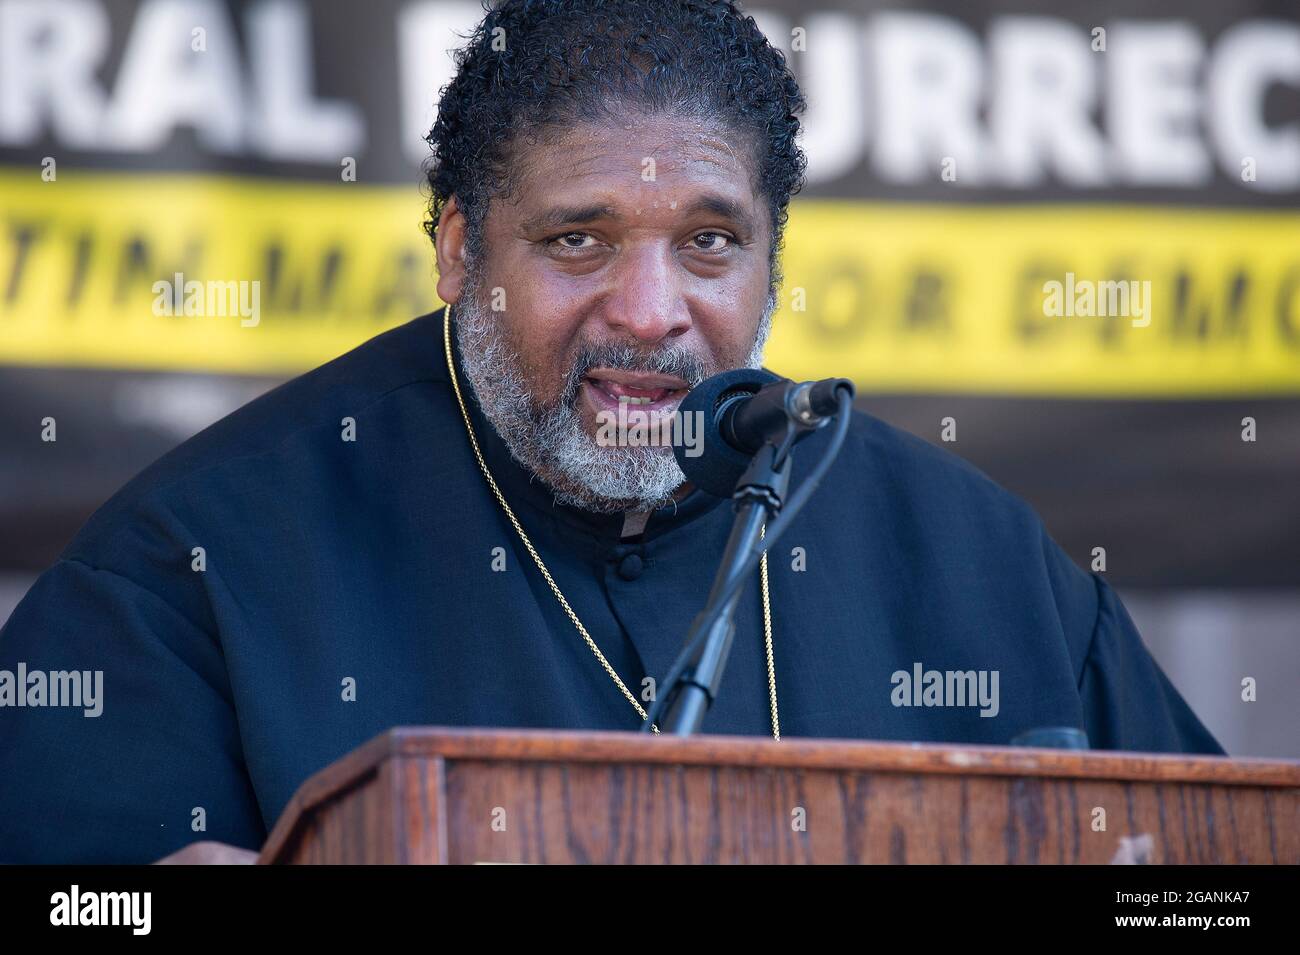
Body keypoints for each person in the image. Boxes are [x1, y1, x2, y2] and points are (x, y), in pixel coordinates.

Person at [0, 0, 1222, 864]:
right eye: (577, 239)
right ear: (458, 248)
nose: (649, 315)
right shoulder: (193, 558)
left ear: (769, 258)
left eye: (707, 243)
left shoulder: (983, 561)